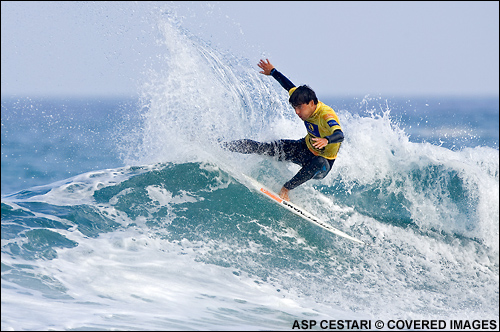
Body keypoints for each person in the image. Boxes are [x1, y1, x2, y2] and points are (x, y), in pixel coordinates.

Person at [223, 59, 344, 201]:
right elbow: (289, 86)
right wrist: (273, 72)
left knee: (317, 163)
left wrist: (326, 140)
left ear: (311, 103)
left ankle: (286, 189)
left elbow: (340, 134)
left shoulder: (326, 115)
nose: (297, 112)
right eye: (294, 108)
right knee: (264, 147)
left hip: (322, 164)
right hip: (304, 149)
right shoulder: (301, 97)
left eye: (300, 108)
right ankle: (223, 146)